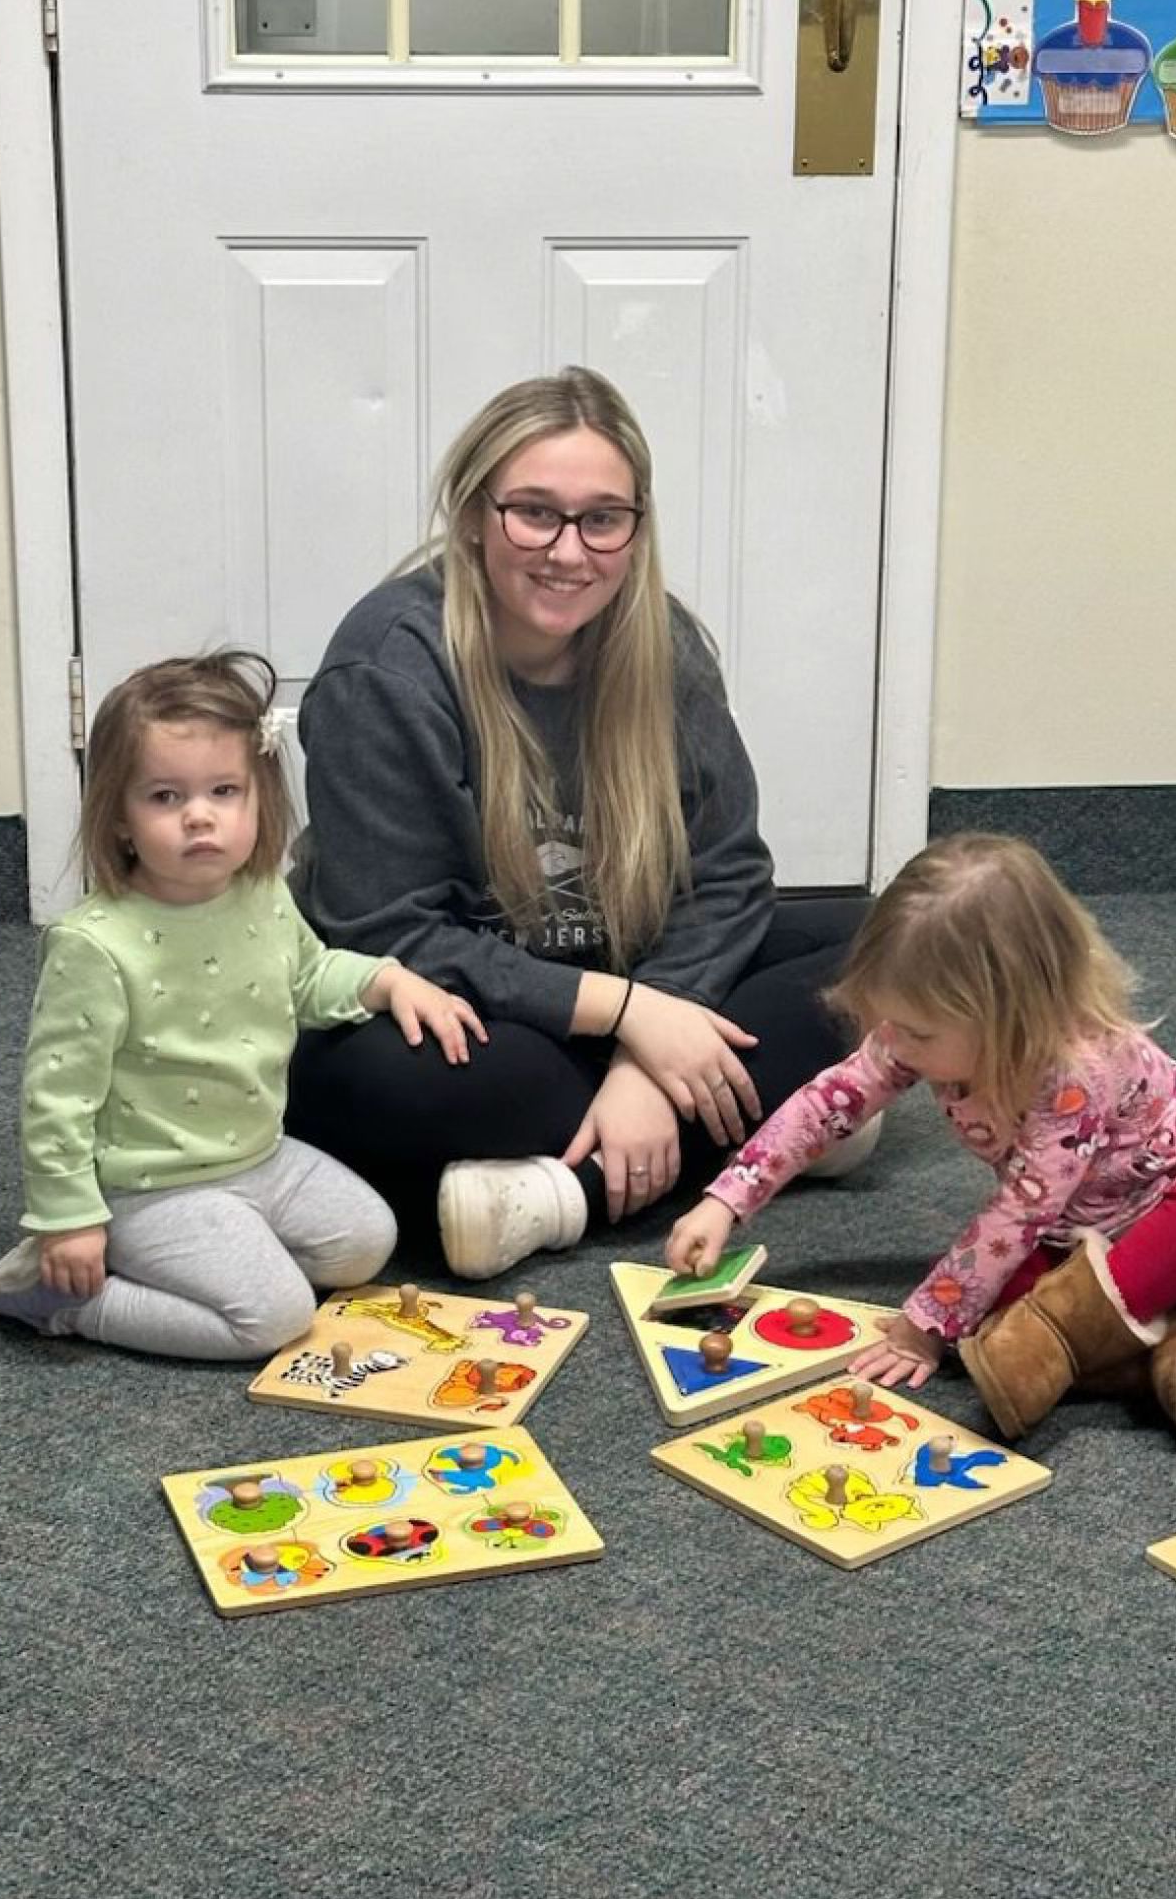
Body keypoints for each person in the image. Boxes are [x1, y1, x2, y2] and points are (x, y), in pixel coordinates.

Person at [288, 365, 871, 1281]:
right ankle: (778, 1125)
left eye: (603, 518)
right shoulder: (387, 666)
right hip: (461, 1008)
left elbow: (728, 874)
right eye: (534, 512)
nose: (569, 549)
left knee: (891, 946)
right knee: (367, 1084)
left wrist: (649, 1058)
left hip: (623, 976)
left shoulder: (662, 642)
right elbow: (389, 935)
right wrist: (635, 1017)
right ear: (474, 513)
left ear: (636, 530)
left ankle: (566, 1192)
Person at [665, 834, 1176, 1443]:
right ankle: (1167, 1351)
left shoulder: (1078, 1067)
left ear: (1010, 1017)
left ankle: (1102, 1339)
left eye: (917, 1032)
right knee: (991, 1315)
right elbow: (824, 1106)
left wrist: (925, 1326)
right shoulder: (913, 1030)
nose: (894, 1041)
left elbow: (1019, 1211)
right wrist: (728, 1199)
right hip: (1074, 1240)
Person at [0, 651, 482, 1359]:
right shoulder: (93, 944)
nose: (200, 817)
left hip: (258, 1154)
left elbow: (308, 977)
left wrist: (389, 982)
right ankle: (68, 1301)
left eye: (223, 790)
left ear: (257, 798)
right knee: (276, 1319)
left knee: (369, 1240)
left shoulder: (262, 897)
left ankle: (218, 1254)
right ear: (119, 817)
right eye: (165, 797)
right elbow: (56, 1097)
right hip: (146, 1184)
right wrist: (67, 1219)